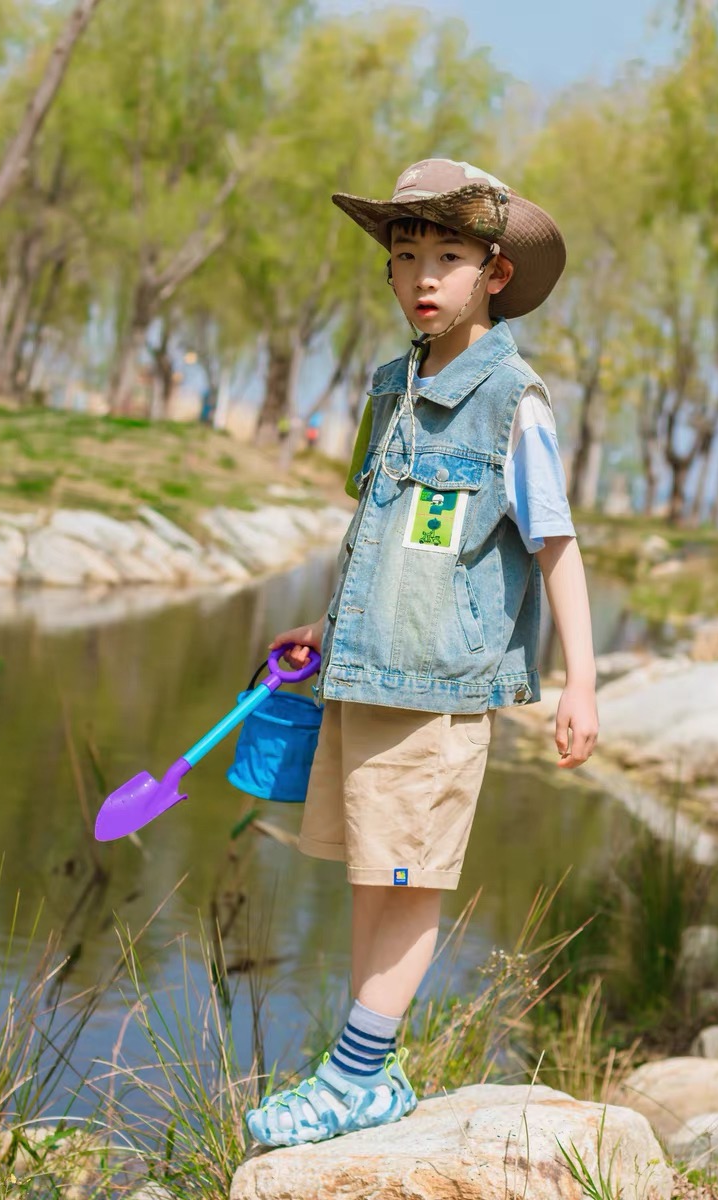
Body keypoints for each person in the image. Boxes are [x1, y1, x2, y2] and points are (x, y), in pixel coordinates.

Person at [245, 159, 599, 1149]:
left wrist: (582, 678)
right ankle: (371, 1065)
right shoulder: (391, 385)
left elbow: (554, 543)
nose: (422, 278)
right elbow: (381, 524)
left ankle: (357, 1069)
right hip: (365, 670)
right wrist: (324, 629)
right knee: (373, 870)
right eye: (406, 258)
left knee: (407, 875)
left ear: (492, 273)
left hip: (439, 684)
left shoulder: (512, 401)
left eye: (445, 257)